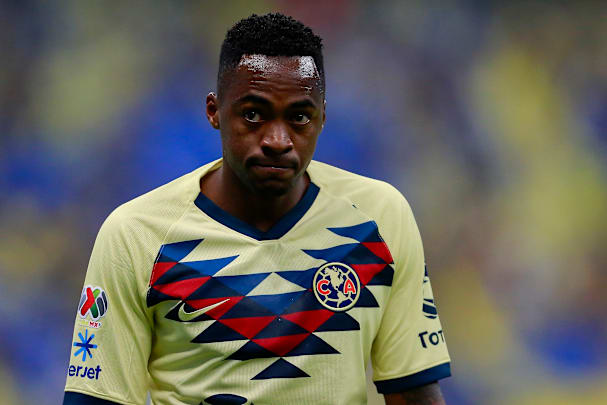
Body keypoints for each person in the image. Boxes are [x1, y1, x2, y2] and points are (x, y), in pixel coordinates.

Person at [63, 13, 450, 405]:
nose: (277, 140)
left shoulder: (379, 217)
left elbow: (414, 393)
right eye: (253, 114)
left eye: (299, 117)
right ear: (214, 111)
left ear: (322, 118)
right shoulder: (135, 235)